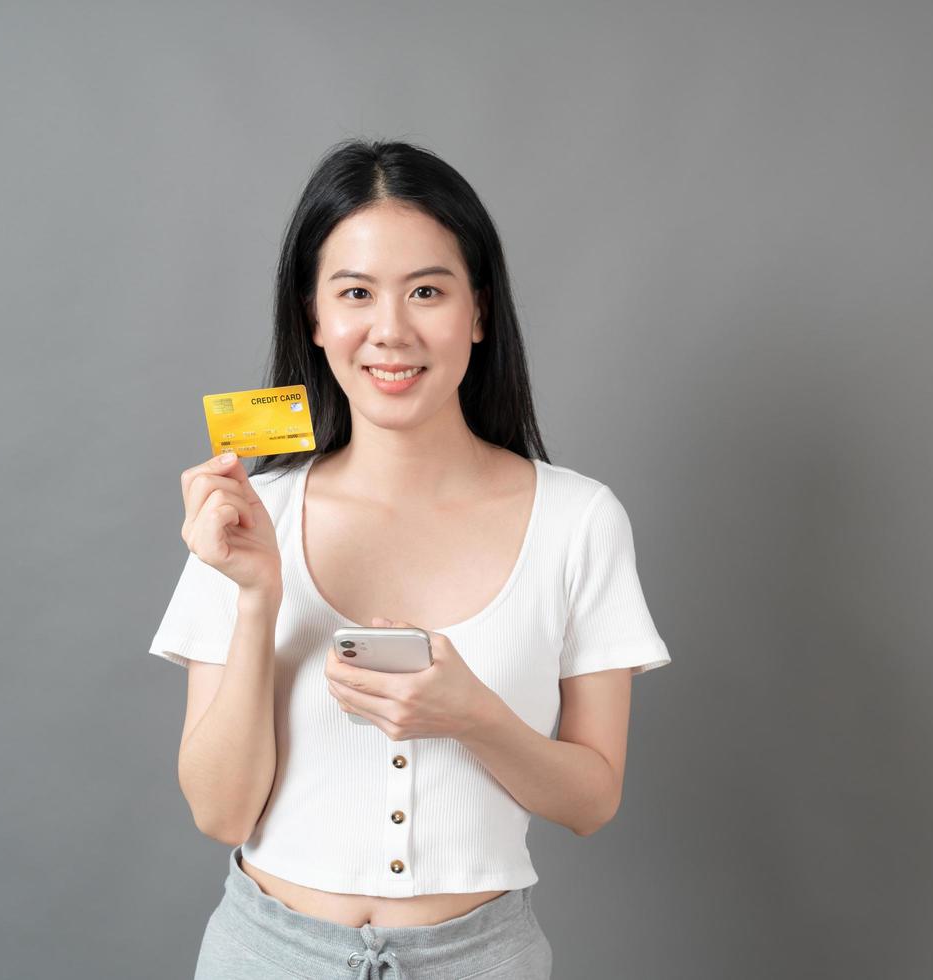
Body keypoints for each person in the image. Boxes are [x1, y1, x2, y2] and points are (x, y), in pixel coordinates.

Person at [146, 139, 672, 979]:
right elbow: (219, 810)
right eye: (355, 293)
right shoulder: (252, 515)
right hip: (266, 956)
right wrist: (256, 599)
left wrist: (473, 715)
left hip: (481, 960)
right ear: (314, 317)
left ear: (479, 312)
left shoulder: (578, 519)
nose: (390, 331)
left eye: (427, 290)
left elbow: (592, 800)